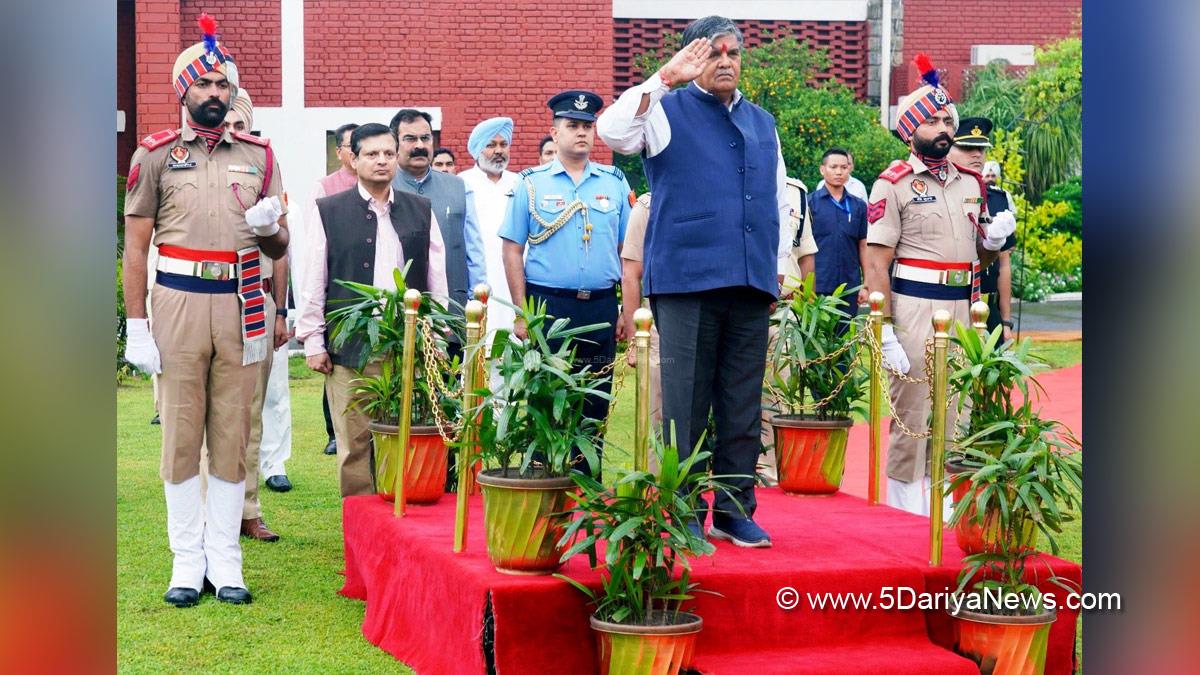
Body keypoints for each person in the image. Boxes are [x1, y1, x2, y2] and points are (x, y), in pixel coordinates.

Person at [597, 16, 794, 548]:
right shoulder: (663, 110)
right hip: (685, 278)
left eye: (733, 53)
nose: (725, 61)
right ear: (691, 58)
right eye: (712, 53)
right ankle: (681, 506)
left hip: (750, 278)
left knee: (741, 400)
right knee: (684, 401)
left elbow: (778, 199)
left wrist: (777, 262)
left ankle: (734, 508)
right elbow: (611, 132)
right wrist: (665, 78)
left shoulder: (762, 121)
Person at [122, 15, 289, 607]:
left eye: (223, 86)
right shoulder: (156, 157)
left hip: (242, 301)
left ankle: (227, 559)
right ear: (184, 91)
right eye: (205, 85)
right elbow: (136, 248)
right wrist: (137, 326)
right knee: (181, 435)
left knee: (232, 432)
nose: (215, 94)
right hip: (179, 304)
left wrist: (272, 233)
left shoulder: (261, 157)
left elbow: (278, 246)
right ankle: (186, 562)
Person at [861, 56, 1015, 516]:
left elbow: (980, 255)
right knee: (913, 412)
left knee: (956, 407)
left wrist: (993, 240)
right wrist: (883, 326)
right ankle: (905, 511)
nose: (944, 126)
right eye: (932, 118)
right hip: (912, 308)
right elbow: (876, 262)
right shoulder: (892, 184)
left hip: (964, 309)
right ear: (911, 130)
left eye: (948, 118)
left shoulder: (971, 182)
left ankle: (944, 508)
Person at [296, 123, 449, 497]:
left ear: (396, 156)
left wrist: (440, 336)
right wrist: (313, 339)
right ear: (353, 158)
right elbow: (314, 276)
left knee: (406, 436)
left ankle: (400, 524)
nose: (381, 161)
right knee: (355, 443)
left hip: (408, 343)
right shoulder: (328, 211)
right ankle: (360, 528)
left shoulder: (420, 209)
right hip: (351, 347)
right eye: (371, 154)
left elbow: (436, 276)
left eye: (387, 153)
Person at [500, 90, 632, 476]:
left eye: (587, 127)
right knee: (546, 395)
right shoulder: (531, 184)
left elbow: (628, 251)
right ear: (554, 133)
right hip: (549, 307)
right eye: (572, 126)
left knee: (595, 395)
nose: (581, 133)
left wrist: (626, 307)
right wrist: (524, 313)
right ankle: (545, 475)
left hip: (600, 304)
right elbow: (512, 250)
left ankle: (588, 479)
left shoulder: (613, 181)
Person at [221, 89, 293, 496]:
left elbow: (282, 251)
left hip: (258, 300)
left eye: (239, 125)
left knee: (259, 404)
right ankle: (217, 508)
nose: (231, 132)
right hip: (210, 298)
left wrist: (281, 311)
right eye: (225, 124)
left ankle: (250, 505)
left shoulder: (264, 167)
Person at [390, 109, 485, 312]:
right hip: (396, 308)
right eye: (410, 139)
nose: (420, 146)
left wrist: (477, 298)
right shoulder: (383, 186)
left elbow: (473, 248)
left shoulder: (459, 187)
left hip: (452, 307)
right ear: (395, 143)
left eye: (425, 138)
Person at [308, 122, 360, 457]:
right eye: (352, 147)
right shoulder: (326, 188)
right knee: (337, 370)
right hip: (340, 291)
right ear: (340, 152)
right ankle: (333, 432)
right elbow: (316, 252)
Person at [458, 117, 518, 337]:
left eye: (503, 144)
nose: (498, 151)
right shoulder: (461, 183)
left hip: (513, 278)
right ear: (477, 150)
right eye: (491, 145)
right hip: (476, 277)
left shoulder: (520, 183)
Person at [809, 147, 869, 312]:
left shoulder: (859, 206)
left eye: (843, 167)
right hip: (819, 285)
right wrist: (807, 286)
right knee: (818, 336)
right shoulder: (810, 204)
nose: (839, 172)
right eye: (833, 167)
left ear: (849, 169)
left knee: (846, 336)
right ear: (823, 170)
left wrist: (866, 285)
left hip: (849, 286)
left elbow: (863, 245)